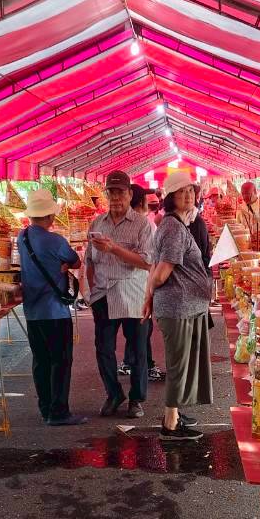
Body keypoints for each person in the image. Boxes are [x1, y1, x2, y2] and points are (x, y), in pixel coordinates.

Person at [144, 171, 214, 442]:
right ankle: (170, 424)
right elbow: (161, 272)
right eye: (180, 192)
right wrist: (150, 294)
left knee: (181, 364)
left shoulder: (175, 224)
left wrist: (148, 298)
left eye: (190, 190)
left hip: (183, 306)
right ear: (170, 198)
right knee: (178, 365)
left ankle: (174, 415)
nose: (187, 195)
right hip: (178, 307)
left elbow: (155, 266)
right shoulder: (173, 227)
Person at [86, 171, 154, 419]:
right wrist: (91, 291)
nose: (115, 197)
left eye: (120, 192)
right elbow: (89, 260)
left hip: (132, 294)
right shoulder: (97, 224)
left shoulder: (142, 224)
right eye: (111, 192)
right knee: (103, 349)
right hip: (103, 294)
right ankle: (114, 394)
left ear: (130, 194)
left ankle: (136, 399)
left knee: (137, 350)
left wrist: (114, 248)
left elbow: (147, 262)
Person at [18, 188, 86, 426]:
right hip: (54, 310)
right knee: (61, 361)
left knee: (41, 361)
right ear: (49, 216)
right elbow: (76, 261)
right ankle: (58, 412)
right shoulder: (55, 241)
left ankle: (45, 407)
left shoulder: (22, 237)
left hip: (32, 311)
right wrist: (64, 266)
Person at [122, 186, 164, 381]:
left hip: (129, 283)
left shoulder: (122, 224)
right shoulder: (147, 225)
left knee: (135, 326)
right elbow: (151, 260)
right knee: (142, 327)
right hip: (142, 283)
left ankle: (130, 362)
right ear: (141, 202)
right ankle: (145, 366)